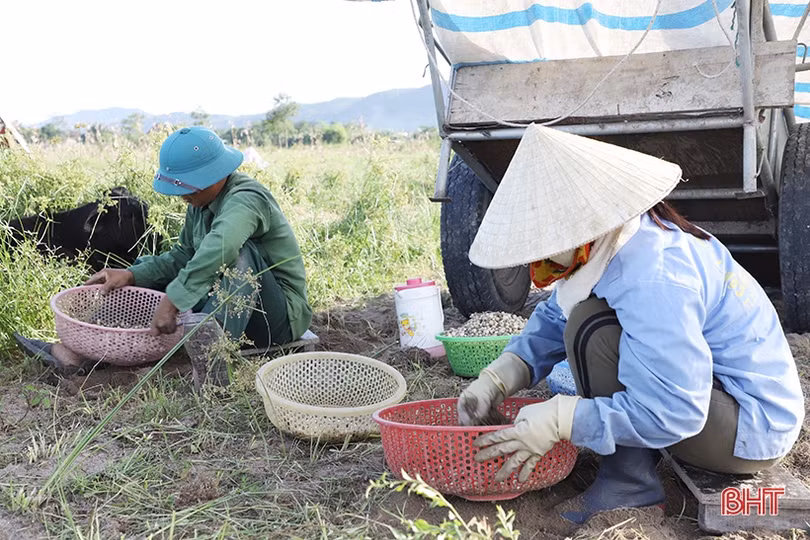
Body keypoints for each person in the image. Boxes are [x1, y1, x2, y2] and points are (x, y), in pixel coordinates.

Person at [456, 124, 805, 524]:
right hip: (715, 395)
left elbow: (675, 410)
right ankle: (631, 469)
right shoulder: (615, 241)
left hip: (749, 427)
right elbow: (555, 314)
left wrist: (563, 419)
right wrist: (499, 376)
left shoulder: (654, 274)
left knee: (592, 331)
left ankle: (629, 485)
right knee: (584, 318)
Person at [15, 126, 313, 376]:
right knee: (144, 271)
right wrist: (132, 274)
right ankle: (79, 351)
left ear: (214, 176)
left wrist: (174, 300)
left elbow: (220, 249)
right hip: (224, 304)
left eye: (189, 188)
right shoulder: (202, 203)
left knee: (238, 255)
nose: (183, 196)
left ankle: (213, 361)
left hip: (275, 318)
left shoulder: (246, 199)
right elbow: (183, 256)